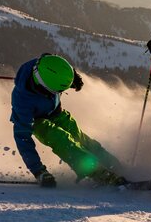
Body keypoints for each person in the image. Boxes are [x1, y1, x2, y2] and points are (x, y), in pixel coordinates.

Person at [10, 53, 129, 188]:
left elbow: (58, 66)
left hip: (56, 112)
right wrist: (39, 171)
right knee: (61, 139)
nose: (59, 93)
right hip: (37, 121)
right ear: (44, 87)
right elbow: (23, 138)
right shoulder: (22, 102)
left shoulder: (46, 64)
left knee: (80, 138)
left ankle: (115, 166)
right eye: (57, 91)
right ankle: (99, 174)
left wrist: (72, 78)